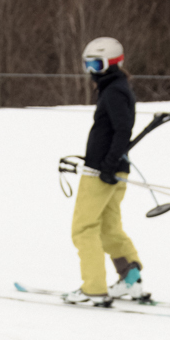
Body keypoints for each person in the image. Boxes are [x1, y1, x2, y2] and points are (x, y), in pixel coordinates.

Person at [65, 36, 143, 306]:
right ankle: (131, 279)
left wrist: (106, 165)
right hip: (113, 170)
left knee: (84, 228)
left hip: (102, 172)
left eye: (96, 65)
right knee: (109, 227)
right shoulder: (117, 88)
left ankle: (93, 289)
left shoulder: (114, 91)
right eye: (88, 65)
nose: (91, 72)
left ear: (113, 63)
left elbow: (123, 130)